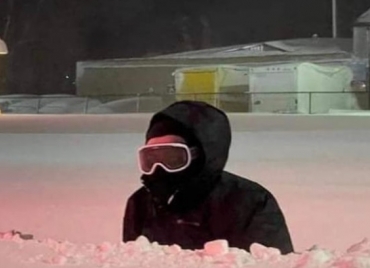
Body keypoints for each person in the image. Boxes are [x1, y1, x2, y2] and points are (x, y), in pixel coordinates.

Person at [122, 100, 294, 254]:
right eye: (151, 158)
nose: (159, 168)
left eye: (172, 157)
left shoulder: (250, 201)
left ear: (200, 155)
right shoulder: (140, 204)